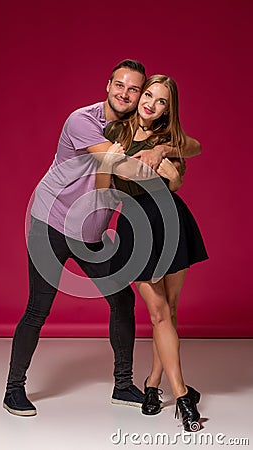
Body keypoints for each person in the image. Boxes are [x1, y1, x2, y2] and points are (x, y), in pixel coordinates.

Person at [2, 60, 200, 418]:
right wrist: (162, 160)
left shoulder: (131, 125)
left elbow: (191, 144)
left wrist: (164, 149)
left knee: (122, 302)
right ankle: (13, 389)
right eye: (119, 86)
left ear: (140, 95)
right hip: (52, 224)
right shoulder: (82, 121)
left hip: (92, 233)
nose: (125, 94)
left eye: (134, 89)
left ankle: (123, 386)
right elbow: (120, 165)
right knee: (38, 308)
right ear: (108, 85)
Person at [95, 74, 208, 431]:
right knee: (158, 311)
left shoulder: (167, 139)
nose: (151, 104)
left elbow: (190, 156)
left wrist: (163, 153)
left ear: (167, 110)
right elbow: (102, 188)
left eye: (162, 101)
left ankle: (153, 385)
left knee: (169, 313)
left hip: (171, 221)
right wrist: (113, 167)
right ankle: (184, 397)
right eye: (149, 95)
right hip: (135, 227)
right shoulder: (115, 132)